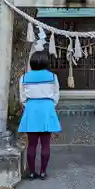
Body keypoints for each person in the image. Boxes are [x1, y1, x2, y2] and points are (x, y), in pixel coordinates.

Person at [18, 50, 61, 180]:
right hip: (47, 109)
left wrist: (29, 105)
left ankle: (31, 172)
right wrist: (49, 105)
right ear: (46, 62)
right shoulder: (52, 77)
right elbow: (56, 94)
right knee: (46, 144)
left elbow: (22, 97)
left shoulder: (24, 78)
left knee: (31, 144)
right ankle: (42, 171)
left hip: (31, 109)